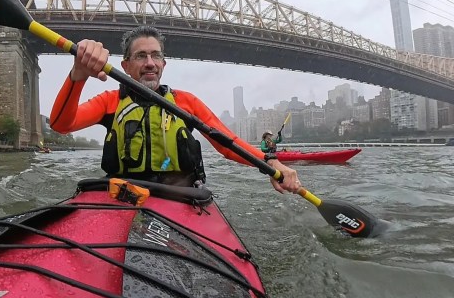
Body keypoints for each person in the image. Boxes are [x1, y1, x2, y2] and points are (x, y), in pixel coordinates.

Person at [50, 25, 302, 193]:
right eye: (140, 56)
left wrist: (271, 163)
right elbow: (61, 125)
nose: (150, 63)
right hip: (124, 194)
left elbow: (227, 143)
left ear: (163, 63)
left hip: (180, 196)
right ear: (125, 66)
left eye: (155, 56)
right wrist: (79, 74)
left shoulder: (185, 102)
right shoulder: (110, 102)